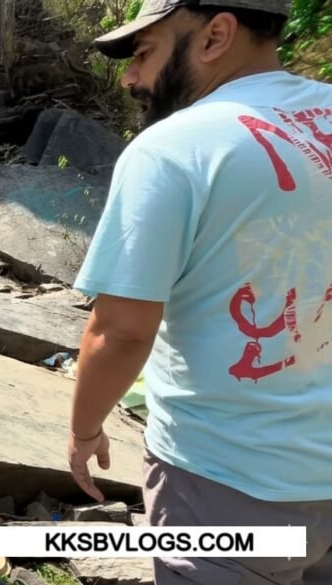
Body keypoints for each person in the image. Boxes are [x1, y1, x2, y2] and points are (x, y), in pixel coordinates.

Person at [67, 0, 332, 583]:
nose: (131, 77)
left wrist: (84, 432)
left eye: (144, 53)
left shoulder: (175, 146)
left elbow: (120, 332)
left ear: (215, 35)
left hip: (229, 480)